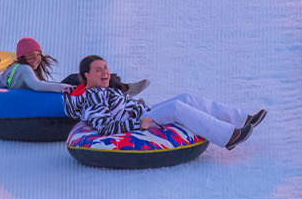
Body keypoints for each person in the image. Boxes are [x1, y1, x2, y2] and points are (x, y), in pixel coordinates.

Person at [63, 55, 267, 150]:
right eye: (98, 70)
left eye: (105, 68)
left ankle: (241, 118)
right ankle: (229, 137)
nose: (105, 72)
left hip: (143, 113)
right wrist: (138, 123)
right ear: (86, 75)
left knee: (186, 97)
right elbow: (106, 127)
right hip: (137, 123)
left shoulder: (103, 90)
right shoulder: (92, 98)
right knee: (177, 108)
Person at [0, 38, 71, 92]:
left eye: (38, 55)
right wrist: (68, 88)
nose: (36, 60)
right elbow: (37, 86)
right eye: (31, 56)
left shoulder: (15, 68)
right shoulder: (24, 68)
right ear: (22, 57)